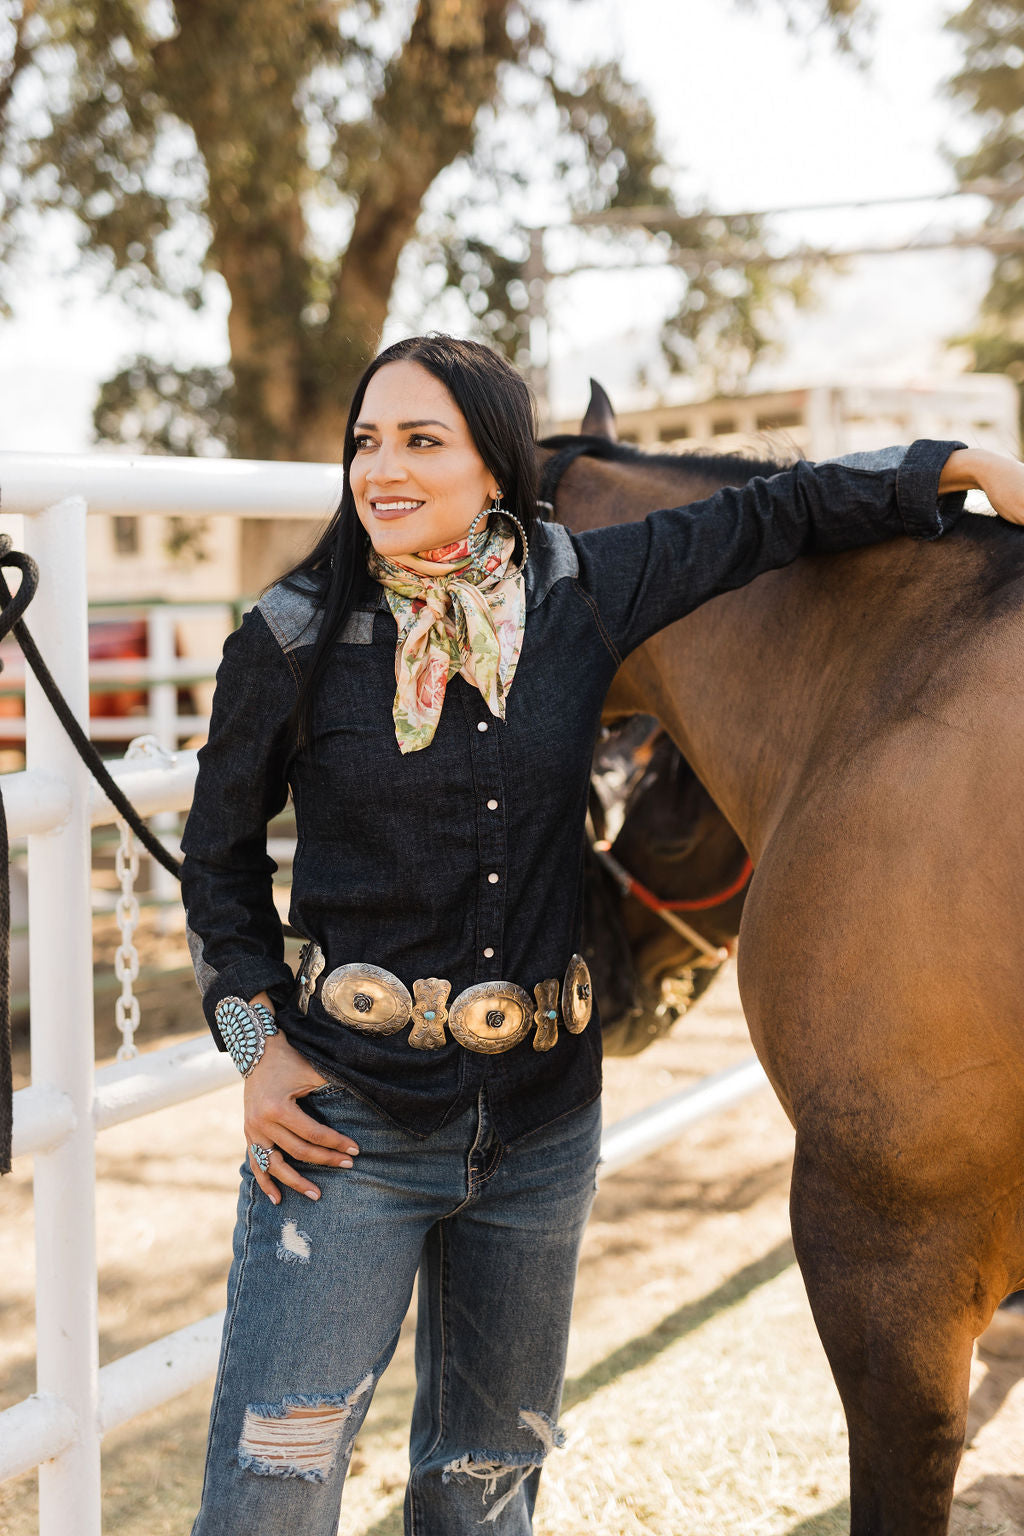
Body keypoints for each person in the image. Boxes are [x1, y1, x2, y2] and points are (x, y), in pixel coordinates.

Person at [180, 333, 1024, 1536]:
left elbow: (773, 516)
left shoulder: (577, 593)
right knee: (274, 1485)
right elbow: (214, 870)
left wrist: (953, 465)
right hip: (349, 1126)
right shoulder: (288, 635)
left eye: (425, 441)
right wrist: (255, 1046)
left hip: (536, 1129)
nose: (384, 470)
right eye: (366, 442)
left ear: (496, 468)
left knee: (485, 1482)